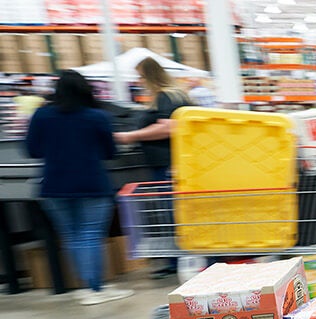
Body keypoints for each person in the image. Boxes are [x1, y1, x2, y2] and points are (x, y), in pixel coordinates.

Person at [26, 70, 135, 305]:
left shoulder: (41, 115)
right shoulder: (97, 117)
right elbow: (110, 152)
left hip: (54, 185)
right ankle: (95, 289)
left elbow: (32, 150)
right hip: (91, 183)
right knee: (91, 234)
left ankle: (86, 287)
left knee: (72, 236)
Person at [116, 56, 192, 279]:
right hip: (168, 164)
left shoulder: (167, 97)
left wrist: (131, 136)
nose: (139, 82)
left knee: (173, 214)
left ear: (150, 76)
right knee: (172, 213)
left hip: (170, 165)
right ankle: (177, 259)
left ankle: (180, 260)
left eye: (140, 77)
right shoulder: (172, 96)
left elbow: (169, 127)